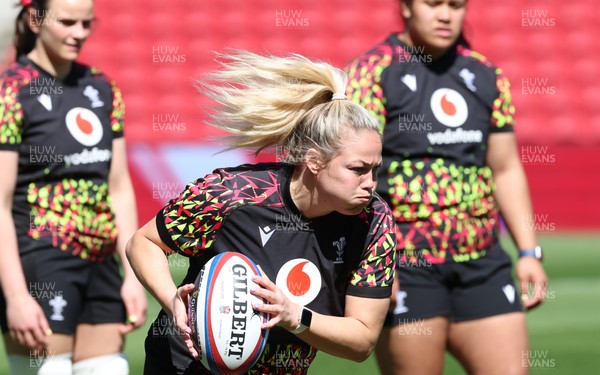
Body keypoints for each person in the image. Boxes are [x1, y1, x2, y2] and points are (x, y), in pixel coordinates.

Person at [125, 50, 397, 374]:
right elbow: (144, 242)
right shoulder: (234, 193)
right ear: (313, 161)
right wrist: (172, 300)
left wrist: (294, 316)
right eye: (358, 169)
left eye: (375, 170)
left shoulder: (375, 222)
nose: (371, 183)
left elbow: (363, 340)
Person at [345, 0, 548, 374]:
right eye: (433, 3)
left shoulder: (486, 74)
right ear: (405, 6)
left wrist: (529, 251)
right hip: (407, 263)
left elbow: (505, 169)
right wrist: (375, 262)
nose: (445, 15)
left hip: (483, 263)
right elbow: (354, 173)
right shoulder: (372, 73)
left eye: (455, 5)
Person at [0, 0, 147, 374]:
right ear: (35, 20)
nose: (79, 33)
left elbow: (118, 187)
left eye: (87, 23)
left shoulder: (101, 87)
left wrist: (132, 275)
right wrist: (16, 296)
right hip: (40, 264)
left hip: (101, 267)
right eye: (67, 22)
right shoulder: (10, 91)